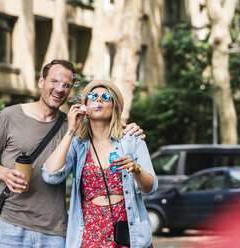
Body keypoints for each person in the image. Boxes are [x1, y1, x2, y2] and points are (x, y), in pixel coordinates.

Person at [0, 60, 144, 248]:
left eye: (66, 85)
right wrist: (4, 173)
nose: (60, 88)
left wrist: (129, 128)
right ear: (42, 81)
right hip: (10, 227)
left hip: (55, 232)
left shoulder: (74, 125)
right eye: (54, 81)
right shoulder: (9, 116)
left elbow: (106, 130)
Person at [42, 79, 158, 247]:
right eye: (93, 96)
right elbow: (50, 175)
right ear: (85, 107)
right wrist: (71, 129)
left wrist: (136, 170)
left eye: (105, 96)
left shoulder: (132, 141)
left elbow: (150, 188)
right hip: (90, 232)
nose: (99, 100)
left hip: (127, 231)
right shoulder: (77, 145)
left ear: (114, 106)